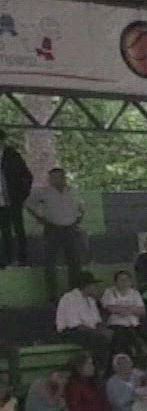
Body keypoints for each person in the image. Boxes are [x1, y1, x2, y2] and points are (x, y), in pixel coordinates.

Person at [25, 166, 86, 295]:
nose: (55, 180)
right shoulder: (43, 192)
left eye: (58, 177)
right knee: (50, 263)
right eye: (53, 178)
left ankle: (75, 293)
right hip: (53, 228)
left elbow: (81, 206)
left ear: (64, 178)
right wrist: (38, 217)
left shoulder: (73, 191)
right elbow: (28, 204)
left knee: (75, 262)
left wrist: (79, 218)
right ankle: (53, 295)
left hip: (71, 228)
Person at [54, 272, 114, 364]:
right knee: (99, 339)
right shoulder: (69, 298)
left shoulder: (90, 300)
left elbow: (97, 321)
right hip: (70, 332)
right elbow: (75, 325)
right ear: (86, 286)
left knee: (114, 336)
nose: (96, 288)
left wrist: (105, 329)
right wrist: (98, 332)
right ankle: (99, 368)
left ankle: (109, 368)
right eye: (93, 285)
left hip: (88, 331)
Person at [101, 269, 147, 358]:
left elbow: (142, 310)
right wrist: (132, 309)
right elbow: (110, 308)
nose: (124, 282)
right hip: (117, 324)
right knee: (122, 339)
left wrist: (122, 309)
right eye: (121, 280)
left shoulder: (135, 293)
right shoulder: (109, 292)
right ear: (115, 282)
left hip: (134, 324)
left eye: (127, 279)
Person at [0, 134, 28, 269]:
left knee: (18, 229)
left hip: (13, 198)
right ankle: (6, 260)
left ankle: (22, 259)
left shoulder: (12, 156)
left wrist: (21, 195)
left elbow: (26, 176)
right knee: (5, 230)